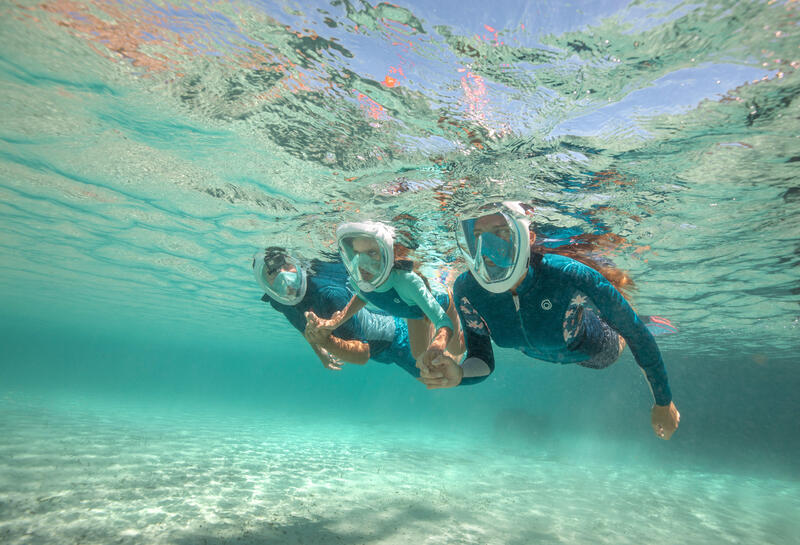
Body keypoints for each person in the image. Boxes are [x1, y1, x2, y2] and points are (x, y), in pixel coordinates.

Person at [418, 202, 680, 440]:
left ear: (529, 237)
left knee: (619, 334)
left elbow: (637, 335)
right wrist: (460, 373)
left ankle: (623, 318)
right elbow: (481, 357)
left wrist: (663, 402)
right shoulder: (468, 289)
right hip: (545, 348)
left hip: (595, 349)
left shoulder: (567, 274)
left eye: (501, 233)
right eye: (478, 237)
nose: (488, 250)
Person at [305, 221, 464, 368]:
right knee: (418, 355)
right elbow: (362, 296)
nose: (362, 264)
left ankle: (473, 326)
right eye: (357, 254)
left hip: (442, 302)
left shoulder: (407, 282)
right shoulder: (359, 280)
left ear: (388, 254)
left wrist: (438, 345)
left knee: (456, 350)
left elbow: (443, 322)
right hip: (413, 310)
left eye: (372, 253)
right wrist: (334, 323)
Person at [253, 247, 418, 377]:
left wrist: (326, 342)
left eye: (286, 265)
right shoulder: (279, 301)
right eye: (272, 272)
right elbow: (304, 325)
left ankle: (427, 315)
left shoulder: (328, 293)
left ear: (297, 263)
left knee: (435, 376)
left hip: (394, 337)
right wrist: (321, 352)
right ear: (264, 280)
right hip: (379, 352)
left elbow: (362, 354)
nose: (282, 274)